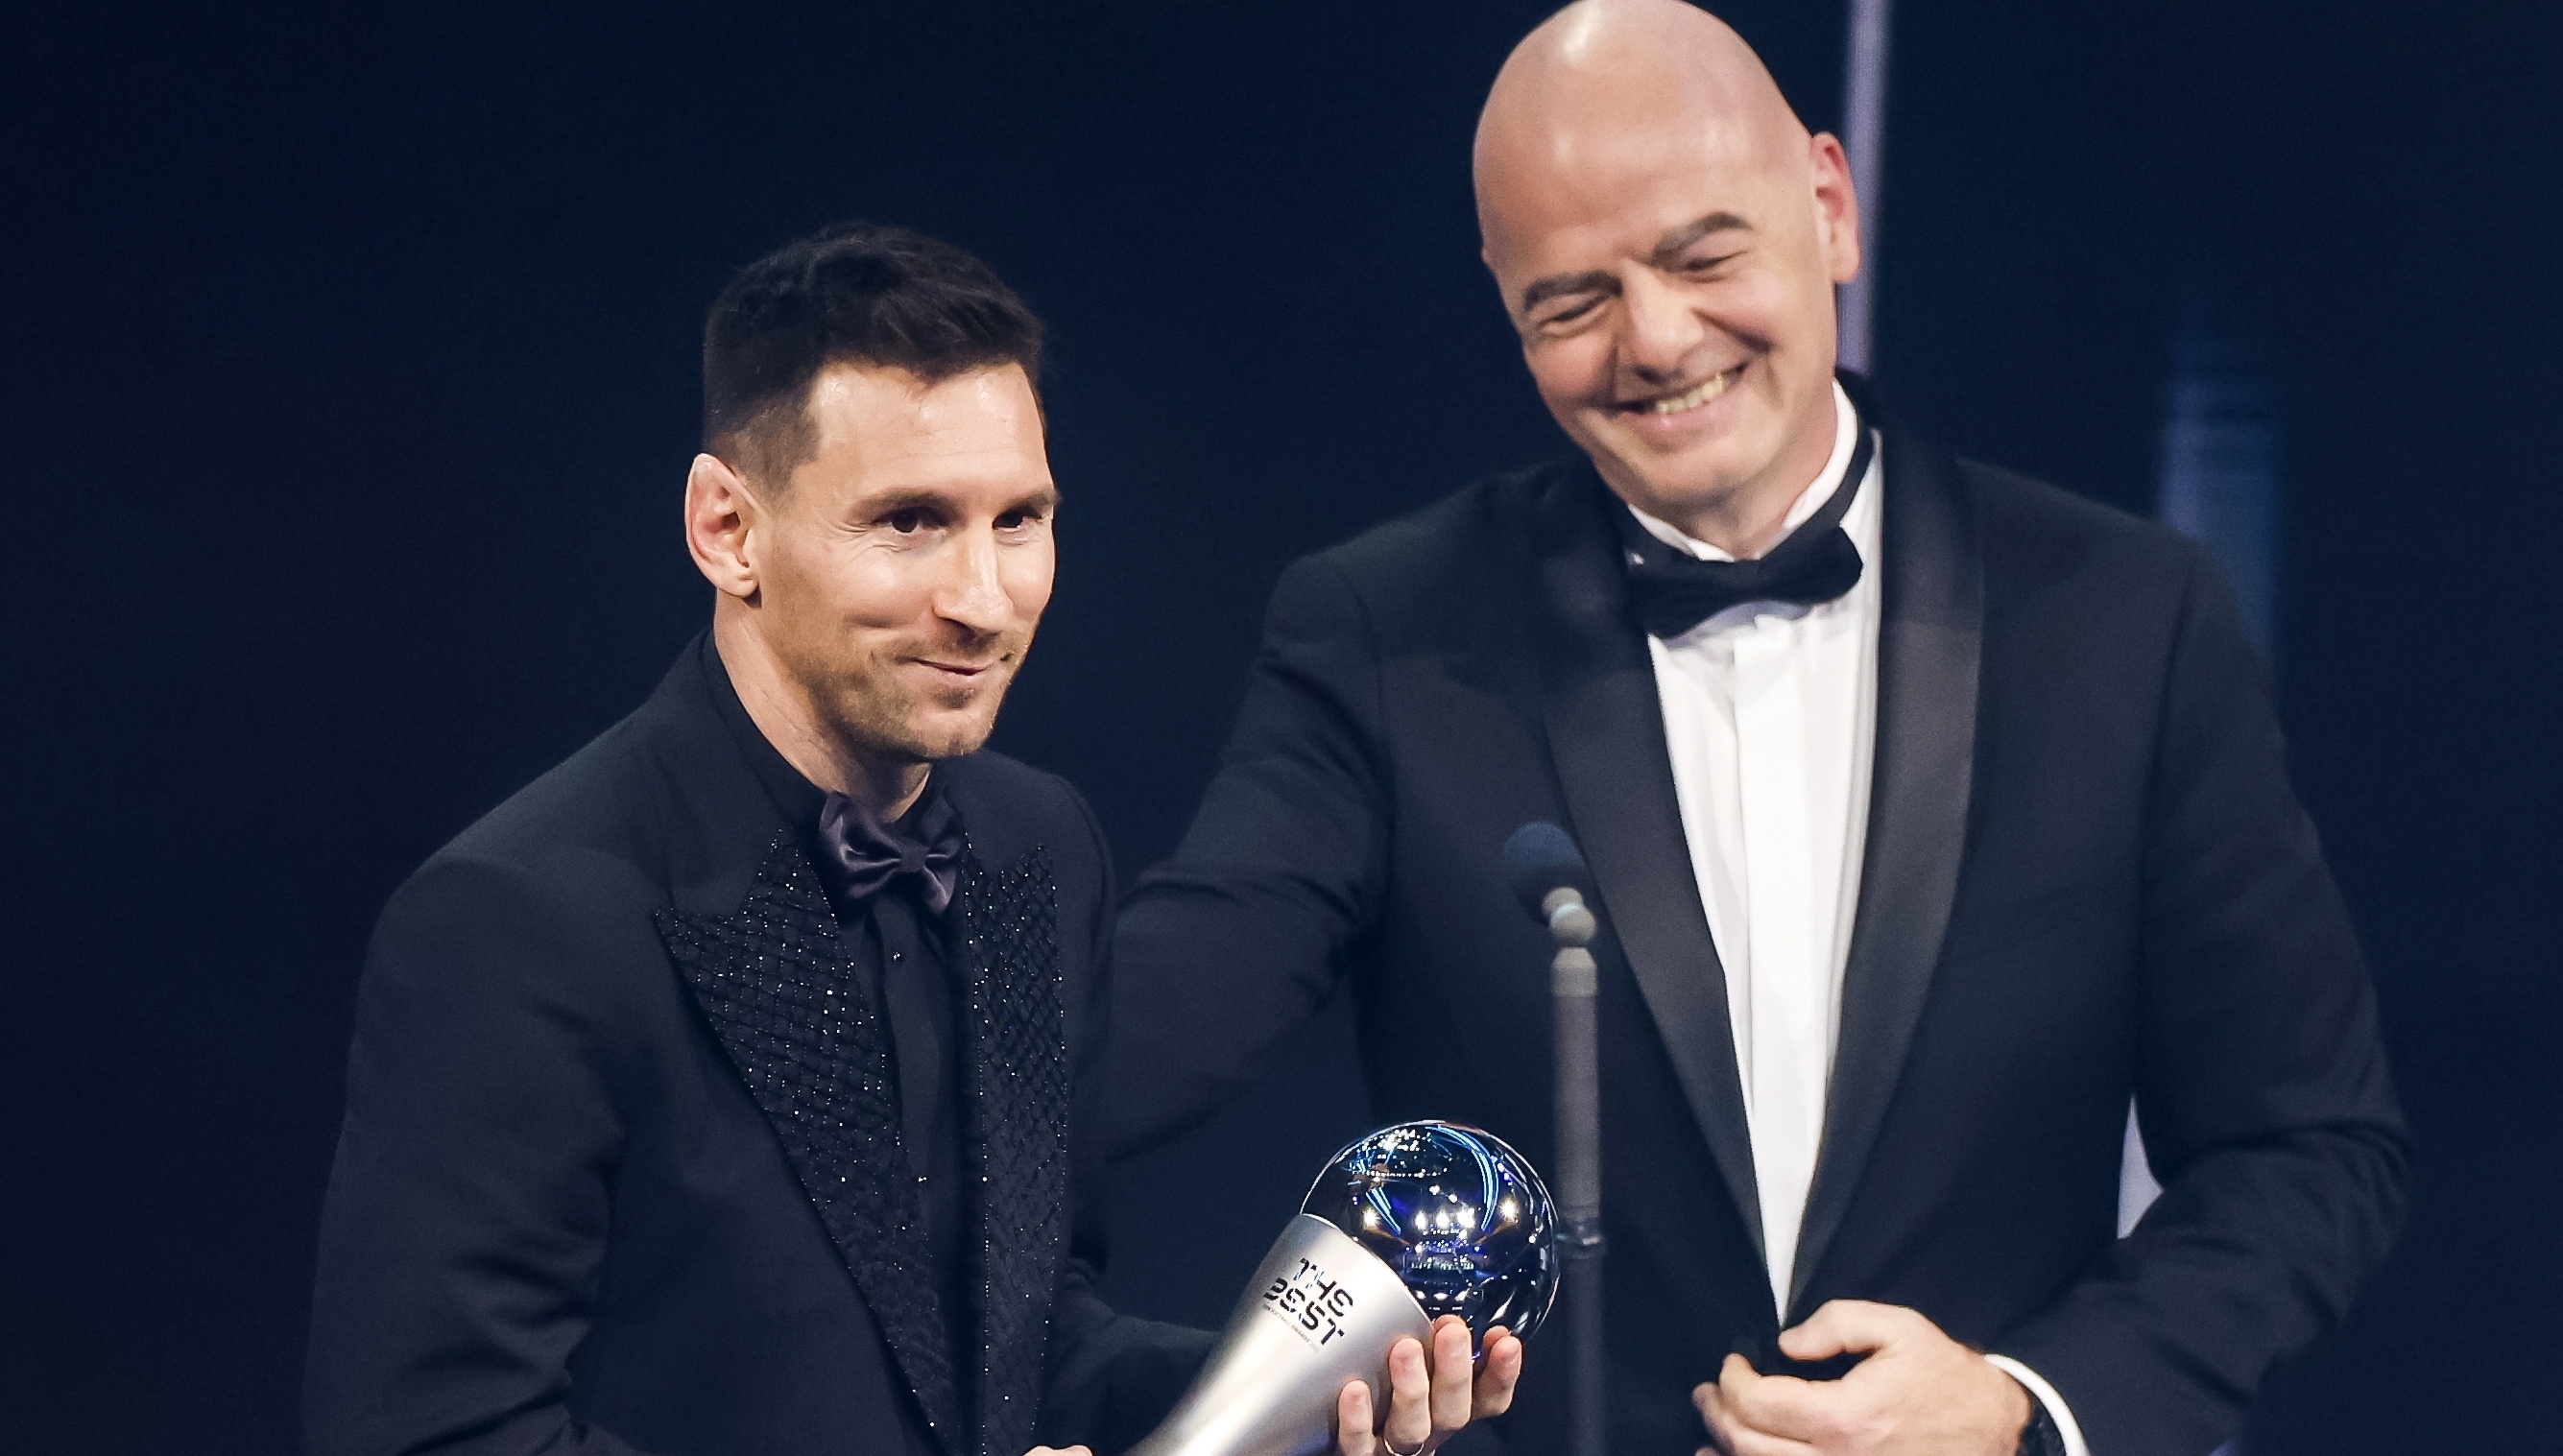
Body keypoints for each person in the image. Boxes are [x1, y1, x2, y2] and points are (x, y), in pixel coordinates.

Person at [1105, 5, 2406, 1455]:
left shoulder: (2124, 619)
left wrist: (2023, 1405)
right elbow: (1156, 1016)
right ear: (1505, 306)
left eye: (1703, 253)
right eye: (1571, 298)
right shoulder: (1382, 632)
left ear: (1831, 209)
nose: (1656, 340)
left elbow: (2306, 1149)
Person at [305, 222, 1522, 1456]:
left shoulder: (1037, 848)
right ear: (729, 528)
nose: (982, 600)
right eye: (908, 522)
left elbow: (1026, 1347)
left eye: (1018, 520)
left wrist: (1296, 1403)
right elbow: (433, 1435)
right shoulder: (520, 922)